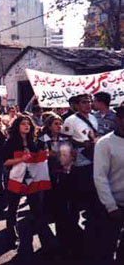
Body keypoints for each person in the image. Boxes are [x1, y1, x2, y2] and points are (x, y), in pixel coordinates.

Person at [3, 116, 56, 261]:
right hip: (15, 179)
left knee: (37, 211)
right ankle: (11, 238)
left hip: (34, 180)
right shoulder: (10, 142)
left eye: (28, 124)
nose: (26, 126)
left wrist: (46, 154)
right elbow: (6, 162)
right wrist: (21, 159)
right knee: (13, 210)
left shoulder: (36, 141)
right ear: (17, 126)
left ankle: (47, 244)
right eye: (23, 124)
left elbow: (42, 156)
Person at [61, 93, 100, 259]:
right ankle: (73, 240)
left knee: (92, 201)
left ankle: (90, 235)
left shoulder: (93, 117)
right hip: (78, 166)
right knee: (76, 202)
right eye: (84, 102)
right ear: (76, 105)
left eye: (90, 102)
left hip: (93, 163)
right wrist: (80, 145)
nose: (88, 105)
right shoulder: (70, 120)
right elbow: (64, 141)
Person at [38, 113, 81, 257]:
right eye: (56, 123)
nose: (59, 126)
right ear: (49, 125)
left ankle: (68, 240)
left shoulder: (66, 139)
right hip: (49, 178)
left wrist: (71, 156)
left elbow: (70, 155)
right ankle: (55, 243)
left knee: (67, 209)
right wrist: (48, 154)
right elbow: (40, 155)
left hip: (66, 176)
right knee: (54, 210)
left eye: (60, 123)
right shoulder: (42, 139)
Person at [94, 105, 124, 263]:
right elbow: (100, 178)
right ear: (118, 119)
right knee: (106, 250)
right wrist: (111, 207)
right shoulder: (105, 144)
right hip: (112, 208)